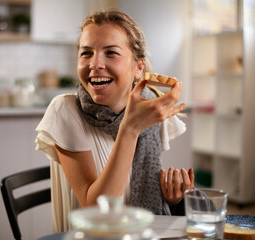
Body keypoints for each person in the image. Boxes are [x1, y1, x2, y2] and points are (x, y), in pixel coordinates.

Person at [36, 9, 194, 233]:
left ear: (138, 67)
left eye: (110, 53)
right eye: (86, 53)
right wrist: (130, 128)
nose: (95, 64)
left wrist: (172, 198)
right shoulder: (65, 110)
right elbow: (99, 211)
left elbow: (133, 194)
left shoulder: (151, 110)